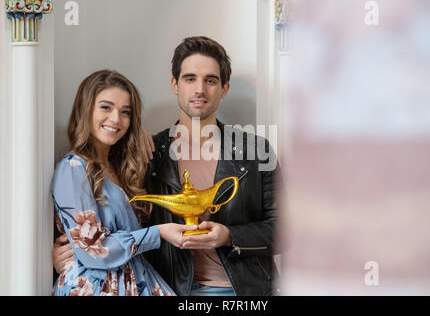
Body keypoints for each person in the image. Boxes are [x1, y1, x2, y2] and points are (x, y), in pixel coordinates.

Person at [54, 37, 281, 296]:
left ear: (224, 88)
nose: (200, 89)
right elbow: (106, 221)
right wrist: (65, 250)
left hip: (245, 290)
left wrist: (230, 235)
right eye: (189, 78)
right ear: (174, 84)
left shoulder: (254, 151)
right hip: (170, 288)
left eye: (210, 80)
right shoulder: (147, 154)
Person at [51, 69, 197, 296]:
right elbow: (94, 250)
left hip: (137, 281)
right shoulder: (73, 169)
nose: (116, 119)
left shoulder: (120, 166)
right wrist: (158, 233)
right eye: (106, 107)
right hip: (96, 287)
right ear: (85, 108)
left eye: (125, 112)